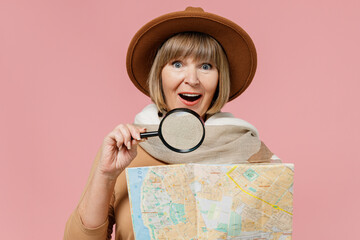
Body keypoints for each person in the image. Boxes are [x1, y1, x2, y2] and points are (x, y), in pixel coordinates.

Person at [64, 7, 281, 240]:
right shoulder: (126, 148)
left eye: (206, 66)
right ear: (159, 74)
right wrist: (106, 175)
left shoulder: (250, 151)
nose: (192, 79)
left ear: (220, 79)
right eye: (177, 64)